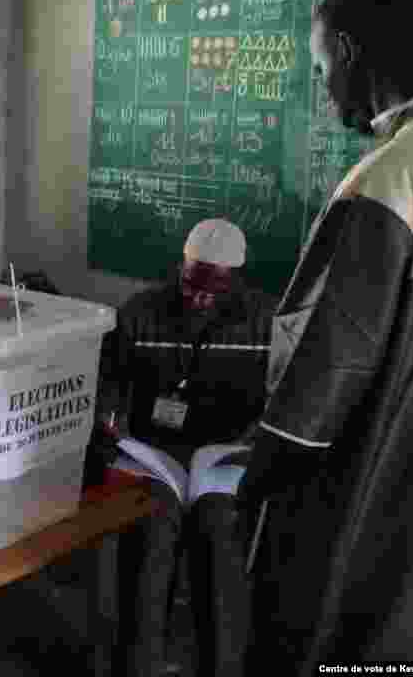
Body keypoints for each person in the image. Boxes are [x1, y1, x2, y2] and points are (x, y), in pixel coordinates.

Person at [238, 0, 413, 671]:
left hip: (373, 528)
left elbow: (317, 390)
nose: (325, 91)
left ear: (347, 51)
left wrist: (253, 482)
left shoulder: (390, 177)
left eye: (322, 69)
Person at [96, 218, 275, 677]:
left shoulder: (266, 322)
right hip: (154, 453)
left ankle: (223, 666)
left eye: (215, 291)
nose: (199, 298)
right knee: (153, 527)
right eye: (192, 285)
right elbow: (109, 377)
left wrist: (257, 435)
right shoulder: (140, 312)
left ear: (237, 280)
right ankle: (138, 665)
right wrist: (110, 415)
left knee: (219, 528)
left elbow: (284, 395)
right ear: (181, 267)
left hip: (225, 455)